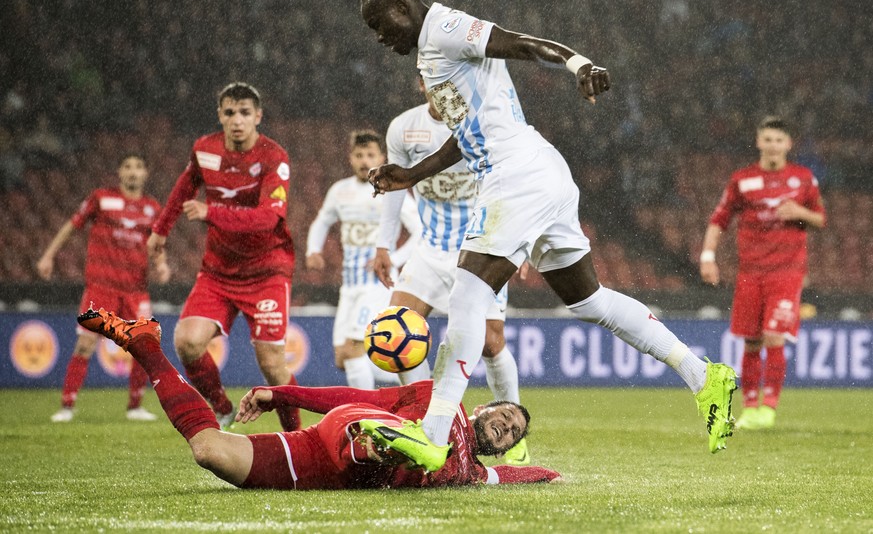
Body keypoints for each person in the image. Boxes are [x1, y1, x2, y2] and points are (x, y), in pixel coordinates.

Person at [360, 0, 737, 470]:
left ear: (402, 7)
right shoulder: (432, 57)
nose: (379, 37)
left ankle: (432, 433)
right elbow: (468, 133)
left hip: (516, 176)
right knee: (589, 300)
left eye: (379, 24)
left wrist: (579, 63)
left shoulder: (443, 27)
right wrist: (412, 174)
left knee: (468, 293)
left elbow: (521, 44)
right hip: (538, 172)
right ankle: (703, 376)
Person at [76, 306, 561, 489]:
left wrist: (552, 473)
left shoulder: (474, 473)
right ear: (483, 406)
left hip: (320, 466)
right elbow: (352, 392)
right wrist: (283, 391)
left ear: (500, 447)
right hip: (350, 429)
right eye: (506, 414)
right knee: (383, 442)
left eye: (512, 432)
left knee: (209, 450)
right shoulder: (442, 399)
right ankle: (387, 442)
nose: (506, 426)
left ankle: (143, 344)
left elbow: (523, 472)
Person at [373, 79, 529, 465]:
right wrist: (383, 243)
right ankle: (425, 422)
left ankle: (517, 438)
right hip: (430, 250)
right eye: (430, 77)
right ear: (420, 82)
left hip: (482, 248)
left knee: (492, 343)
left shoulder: (484, 123)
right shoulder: (403, 128)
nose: (440, 85)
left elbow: (516, 178)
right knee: (396, 330)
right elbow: (395, 187)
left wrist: (522, 239)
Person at [147, 82, 300, 431]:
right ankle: (221, 406)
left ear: (258, 116)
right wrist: (160, 230)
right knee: (187, 342)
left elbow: (268, 218)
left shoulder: (273, 157)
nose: (237, 120)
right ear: (220, 115)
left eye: (245, 113)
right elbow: (185, 187)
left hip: (267, 271)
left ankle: (298, 436)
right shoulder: (205, 149)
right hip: (218, 272)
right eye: (229, 112)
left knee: (272, 364)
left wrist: (211, 211)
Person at [700, 116, 826, 430]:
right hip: (750, 272)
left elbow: (820, 219)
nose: (772, 145)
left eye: (778, 140)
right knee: (752, 341)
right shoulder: (742, 180)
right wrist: (707, 256)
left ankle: (769, 407)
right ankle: (750, 407)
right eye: (767, 139)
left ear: (788, 144)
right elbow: (719, 220)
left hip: (787, 271)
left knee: (773, 337)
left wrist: (799, 213)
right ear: (759, 142)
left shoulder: (803, 178)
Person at [37, 153, 170, 422]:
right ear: (119, 172)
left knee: (143, 346)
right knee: (85, 344)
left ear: (146, 174)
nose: (133, 172)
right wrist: (48, 255)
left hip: (136, 289)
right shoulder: (101, 199)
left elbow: (157, 244)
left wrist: (162, 264)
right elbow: (71, 226)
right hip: (101, 287)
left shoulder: (153, 208)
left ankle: (135, 407)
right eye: (128, 166)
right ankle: (67, 406)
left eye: (139, 167)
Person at [305, 129, 421, 389]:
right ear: (351, 158)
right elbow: (322, 221)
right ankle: (402, 382)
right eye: (359, 155)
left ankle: (365, 410)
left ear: (382, 157)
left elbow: (421, 231)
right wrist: (313, 250)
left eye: (370, 154)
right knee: (342, 357)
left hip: (377, 285)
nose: (364, 160)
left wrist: (394, 259)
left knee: (352, 349)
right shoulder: (340, 191)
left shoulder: (393, 191)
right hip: (350, 285)